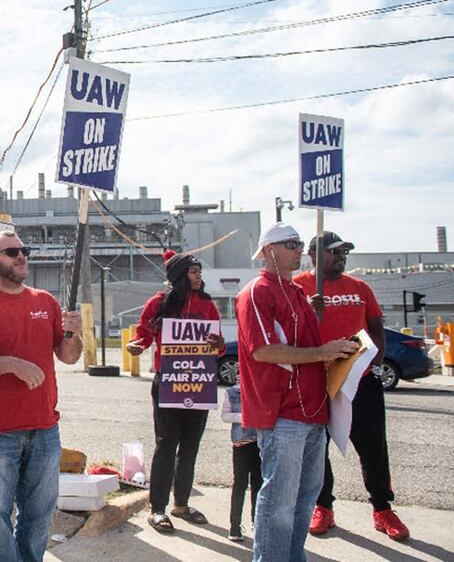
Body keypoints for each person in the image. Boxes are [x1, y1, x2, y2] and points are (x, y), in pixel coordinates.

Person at [0, 231, 82, 562]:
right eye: (12, 252)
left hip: (43, 428)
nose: (22, 256)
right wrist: (10, 364)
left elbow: (69, 356)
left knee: (39, 514)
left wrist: (75, 333)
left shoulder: (45, 301)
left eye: (24, 250)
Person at [236, 222, 357, 562]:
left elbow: (306, 347)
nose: (299, 250)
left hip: (313, 411)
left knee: (306, 497)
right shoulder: (257, 291)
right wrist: (323, 352)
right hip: (282, 412)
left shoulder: (298, 293)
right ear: (269, 249)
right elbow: (264, 350)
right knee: (279, 501)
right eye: (292, 244)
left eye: (300, 243)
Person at [293, 232, 409, 541]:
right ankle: (323, 506)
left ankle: (383, 508)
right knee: (317, 447)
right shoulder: (298, 288)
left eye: (344, 251)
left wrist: (373, 363)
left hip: (360, 379)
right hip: (316, 379)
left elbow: (376, 328)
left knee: (373, 446)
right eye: (334, 252)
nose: (341, 256)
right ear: (313, 254)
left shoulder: (360, 287)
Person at [126, 250, 224, 533]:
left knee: (190, 446)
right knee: (167, 444)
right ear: (180, 275)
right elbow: (144, 333)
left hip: (200, 381)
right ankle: (157, 509)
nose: (199, 277)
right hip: (168, 380)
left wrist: (217, 342)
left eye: (199, 272)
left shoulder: (207, 305)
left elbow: (217, 346)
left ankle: (181, 505)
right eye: (194, 272)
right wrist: (136, 345)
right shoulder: (159, 302)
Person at [221, 382, 260, 542]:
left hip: (259, 443)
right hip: (240, 444)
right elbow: (225, 415)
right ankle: (234, 526)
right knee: (239, 485)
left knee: (258, 485)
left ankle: (256, 523)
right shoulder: (232, 392)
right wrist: (246, 416)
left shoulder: (261, 389)